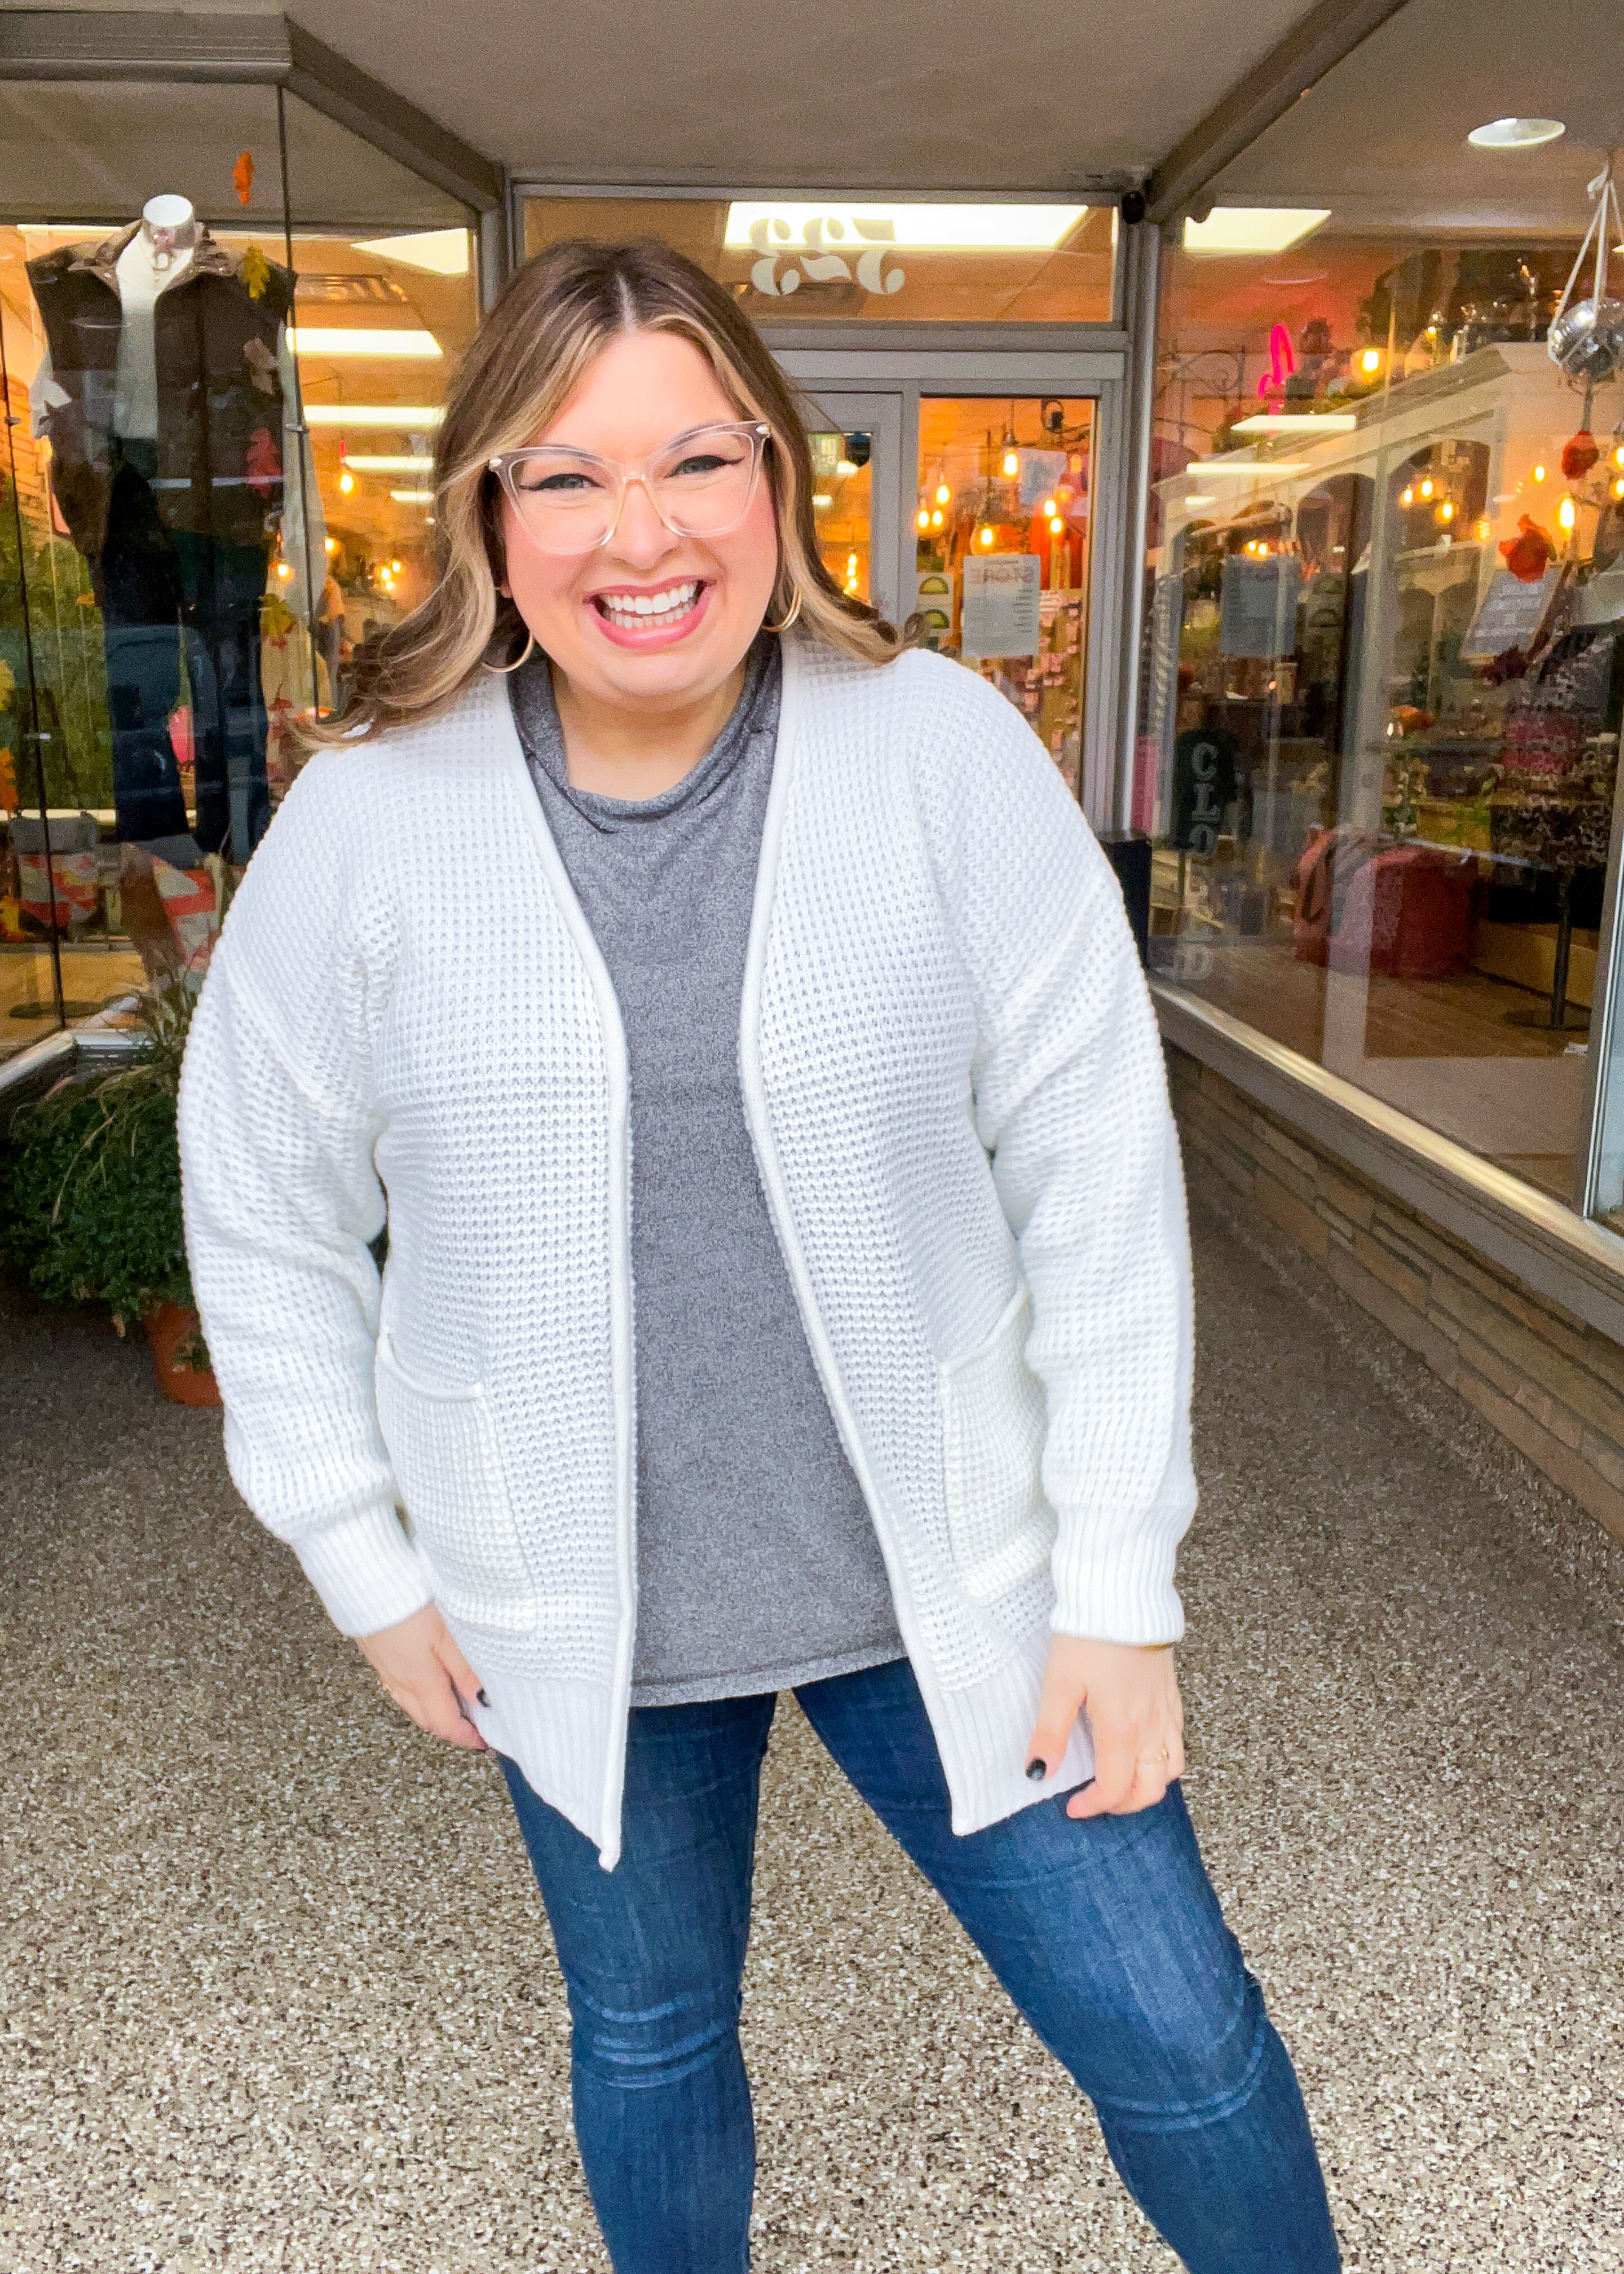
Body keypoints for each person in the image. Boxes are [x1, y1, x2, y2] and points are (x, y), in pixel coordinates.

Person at [176, 237, 1341, 2274]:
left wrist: (1114, 1583)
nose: (643, 534)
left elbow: (1094, 1171)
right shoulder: (370, 819)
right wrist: (362, 1560)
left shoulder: (941, 749)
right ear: (489, 515)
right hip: (576, 1605)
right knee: (649, 2043)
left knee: (1176, 2030)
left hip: (951, 1574)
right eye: (566, 474)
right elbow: (262, 1205)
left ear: (778, 484)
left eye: (698, 460)